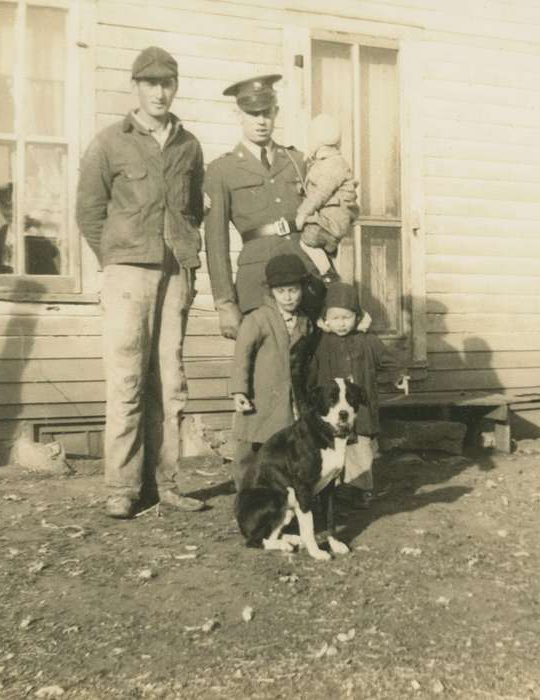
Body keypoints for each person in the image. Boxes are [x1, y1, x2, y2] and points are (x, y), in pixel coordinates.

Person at [75, 46, 206, 519]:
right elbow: (89, 212)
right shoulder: (110, 142)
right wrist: (115, 259)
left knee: (170, 382)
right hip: (127, 273)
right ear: (135, 86)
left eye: (167, 82)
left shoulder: (189, 144)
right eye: (150, 82)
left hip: (176, 271)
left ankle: (166, 483)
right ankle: (123, 487)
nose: (160, 91)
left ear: (175, 86)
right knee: (127, 381)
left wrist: (188, 261)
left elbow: (192, 207)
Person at [204, 74, 352, 336]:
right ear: (238, 115)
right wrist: (225, 303)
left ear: (276, 112)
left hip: (305, 277)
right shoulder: (222, 170)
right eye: (252, 113)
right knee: (266, 368)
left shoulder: (298, 160)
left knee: (311, 367)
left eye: (266, 112)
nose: (261, 121)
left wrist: (328, 237)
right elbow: (216, 244)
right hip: (257, 283)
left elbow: (338, 205)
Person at [309, 282, 405, 509]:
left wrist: (397, 375)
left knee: (360, 447)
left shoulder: (368, 341)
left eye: (346, 317)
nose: (341, 323)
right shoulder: (322, 344)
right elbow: (311, 372)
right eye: (335, 318)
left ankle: (362, 489)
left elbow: (387, 360)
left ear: (357, 317)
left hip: (360, 408)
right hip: (333, 410)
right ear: (326, 319)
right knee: (334, 445)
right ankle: (336, 487)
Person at [229, 254, 316, 488]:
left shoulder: (304, 321)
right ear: (272, 292)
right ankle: (246, 493)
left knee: (283, 445)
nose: (288, 297)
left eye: (293, 290)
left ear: (302, 290)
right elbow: (242, 356)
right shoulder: (257, 319)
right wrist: (239, 391)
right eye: (282, 291)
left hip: (288, 398)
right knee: (251, 446)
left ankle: (280, 493)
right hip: (260, 396)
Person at [295, 113, 359, 256]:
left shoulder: (333, 163)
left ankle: (328, 273)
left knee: (308, 239)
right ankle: (326, 268)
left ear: (318, 141)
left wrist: (302, 213)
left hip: (331, 221)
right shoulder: (322, 163)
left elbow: (320, 193)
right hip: (327, 219)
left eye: (311, 138)